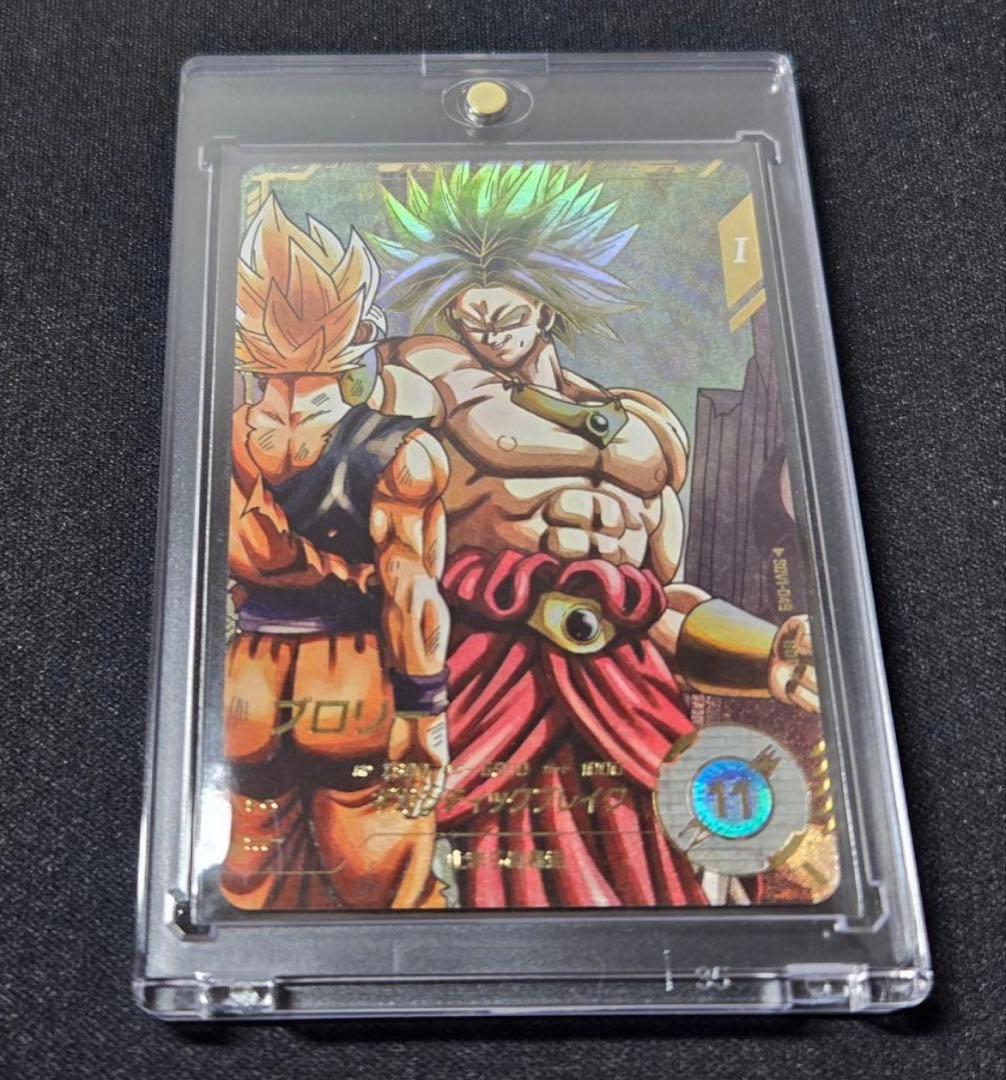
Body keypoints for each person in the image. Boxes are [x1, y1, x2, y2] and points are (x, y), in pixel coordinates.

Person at [365, 163, 818, 908]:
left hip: (626, 702)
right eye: (472, 321)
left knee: (651, 882)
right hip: (497, 686)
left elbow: (659, 604)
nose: (488, 336)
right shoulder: (435, 383)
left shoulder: (648, 429)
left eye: (505, 318)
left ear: (546, 309)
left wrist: (770, 656)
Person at [220, 194, 450, 910]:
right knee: (391, 893)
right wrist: (424, 717)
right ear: (360, 330)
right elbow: (411, 593)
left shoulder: (222, 440)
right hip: (351, 683)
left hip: (247, 688)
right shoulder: (403, 450)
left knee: (248, 889)